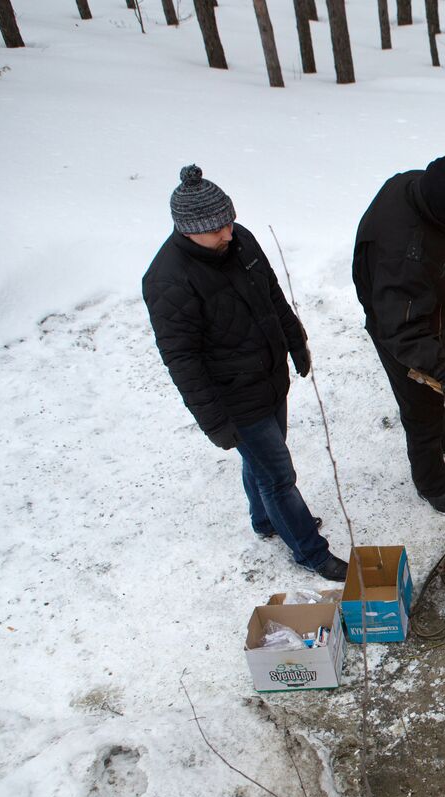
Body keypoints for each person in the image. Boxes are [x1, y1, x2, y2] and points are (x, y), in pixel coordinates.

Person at [142, 165, 347, 581]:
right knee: (278, 476)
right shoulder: (168, 279)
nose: (227, 233)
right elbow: (182, 360)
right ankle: (311, 552)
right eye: (216, 228)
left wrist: (295, 341)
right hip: (235, 398)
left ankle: (266, 521)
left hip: (269, 378)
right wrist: (215, 422)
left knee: (263, 463)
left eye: (229, 221)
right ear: (188, 230)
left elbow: (272, 293)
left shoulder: (242, 241)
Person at [352, 156, 445, 518]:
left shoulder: (419, 188)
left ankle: (442, 441)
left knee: (437, 387)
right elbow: (404, 330)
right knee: (420, 409)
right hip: (398, 329)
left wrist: (444, 373)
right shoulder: (404, 254)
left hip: (422, 314)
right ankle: (432, 486)